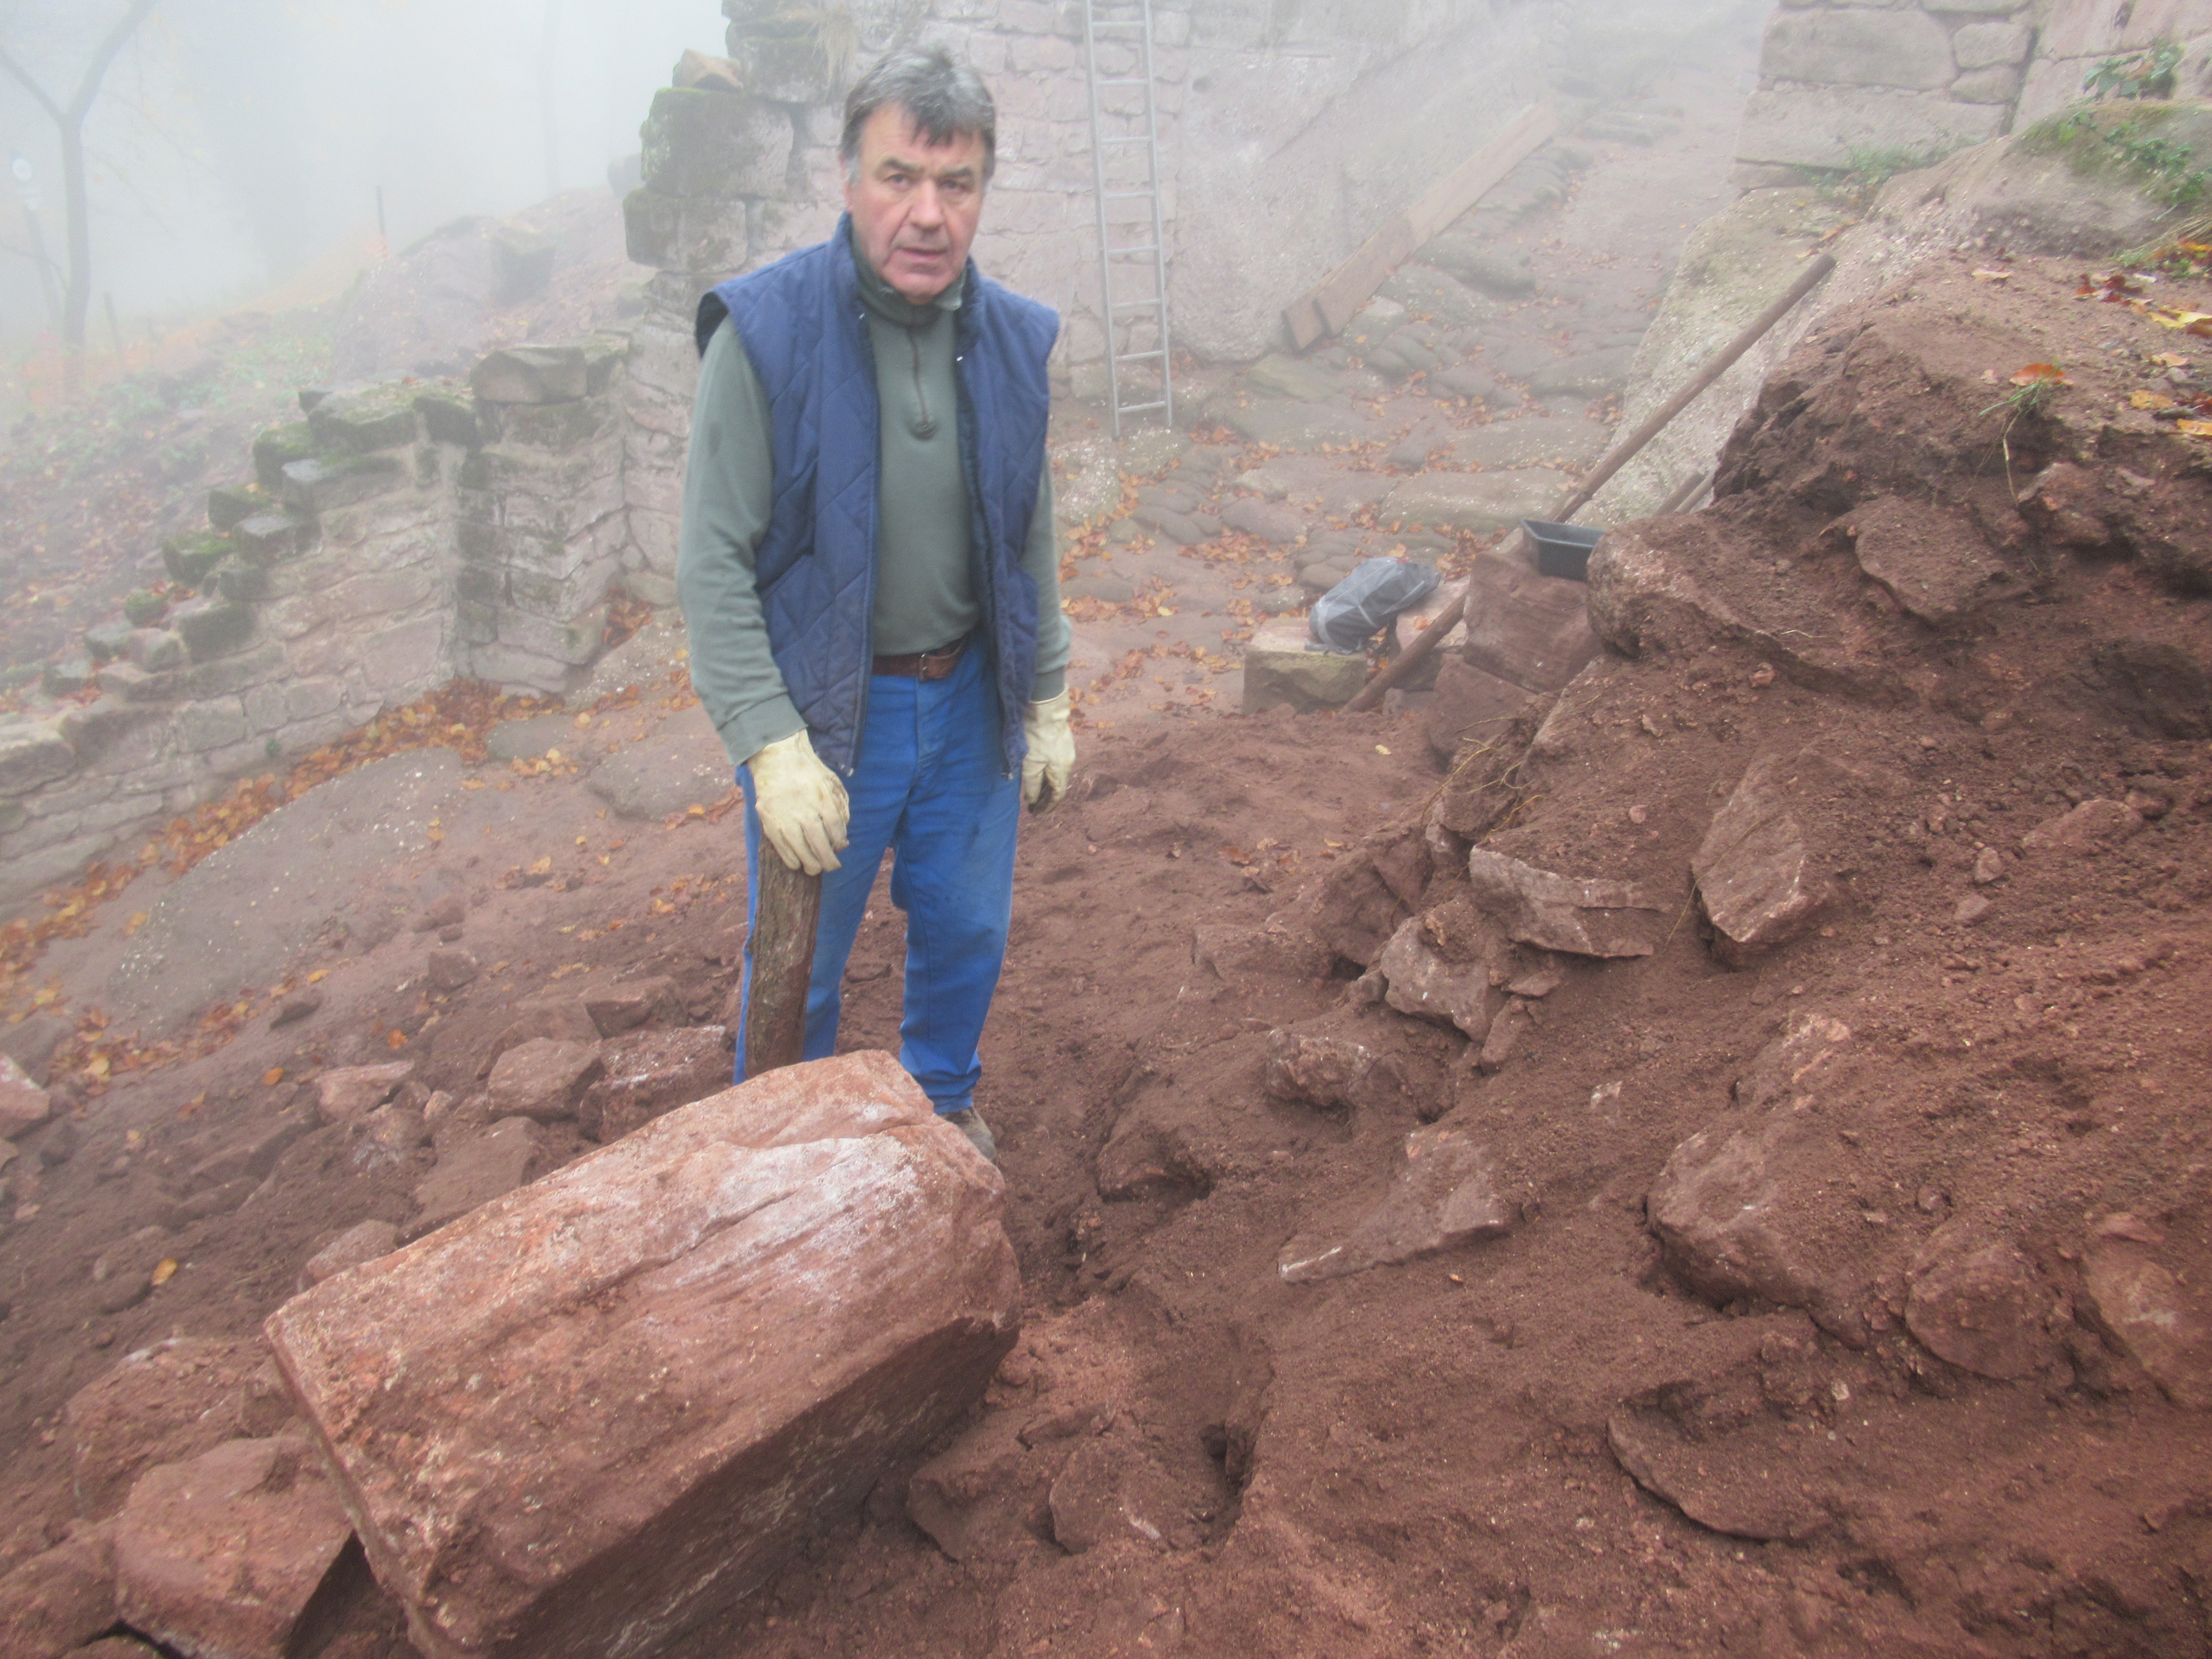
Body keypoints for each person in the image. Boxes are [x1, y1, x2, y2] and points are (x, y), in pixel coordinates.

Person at [676, 46, 1073, 1164]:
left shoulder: (1012, 340)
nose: (927, 214)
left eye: (957, 184)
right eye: (900, 177)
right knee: (799, 963)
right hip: (828, 720)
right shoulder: (765, 335)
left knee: (967, 929)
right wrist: (768, 743)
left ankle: (941, 1103)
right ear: (848, 178)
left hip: (969, 703)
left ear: (984, 192)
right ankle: (778, 1151)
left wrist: (1047, 693)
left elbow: (1029, 528)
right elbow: (712, 562)